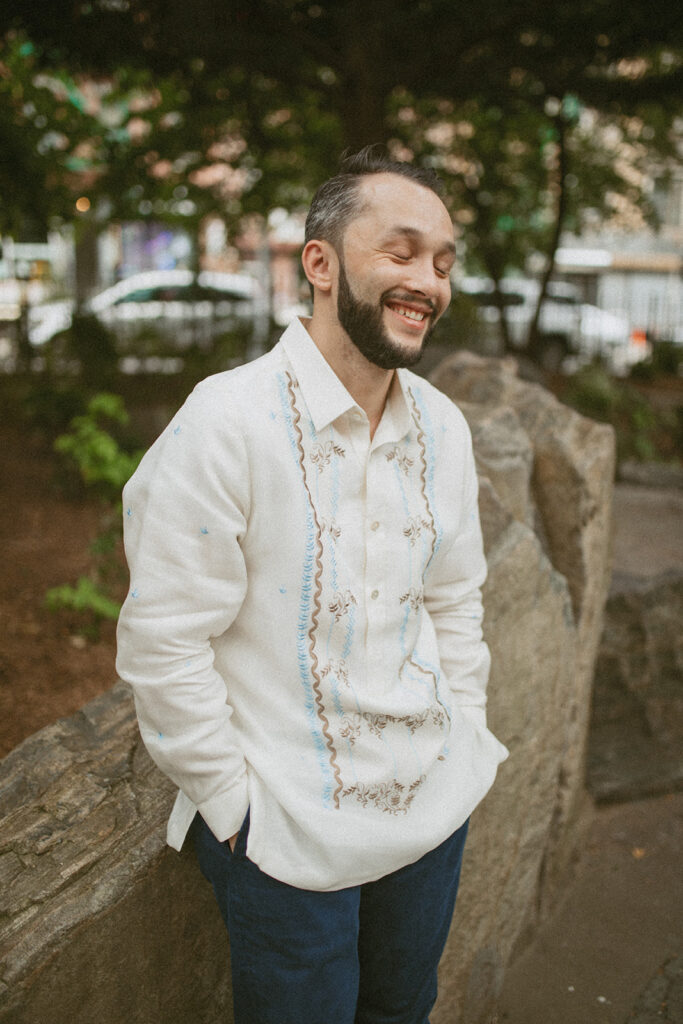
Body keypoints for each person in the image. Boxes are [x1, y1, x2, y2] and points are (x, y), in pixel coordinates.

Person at [116, 147, 508, 1024]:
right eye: (401, 252)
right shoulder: (226, 423)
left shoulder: (442, 428)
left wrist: (467, 732)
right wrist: (232, 807)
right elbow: (163, 641)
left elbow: (454, 599)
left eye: (442, 262)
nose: (429, 281)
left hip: (432, 810)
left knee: (401, 1011)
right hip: (287, 837)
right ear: (320, 265)